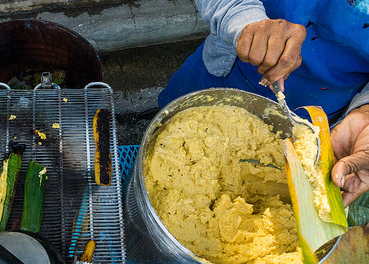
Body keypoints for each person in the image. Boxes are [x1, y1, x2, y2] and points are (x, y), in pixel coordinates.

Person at [158, 0, 369, 206]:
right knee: (165, 145)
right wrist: (244, 20)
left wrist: (366, 110)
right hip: (227, 73)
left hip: (322, 110)